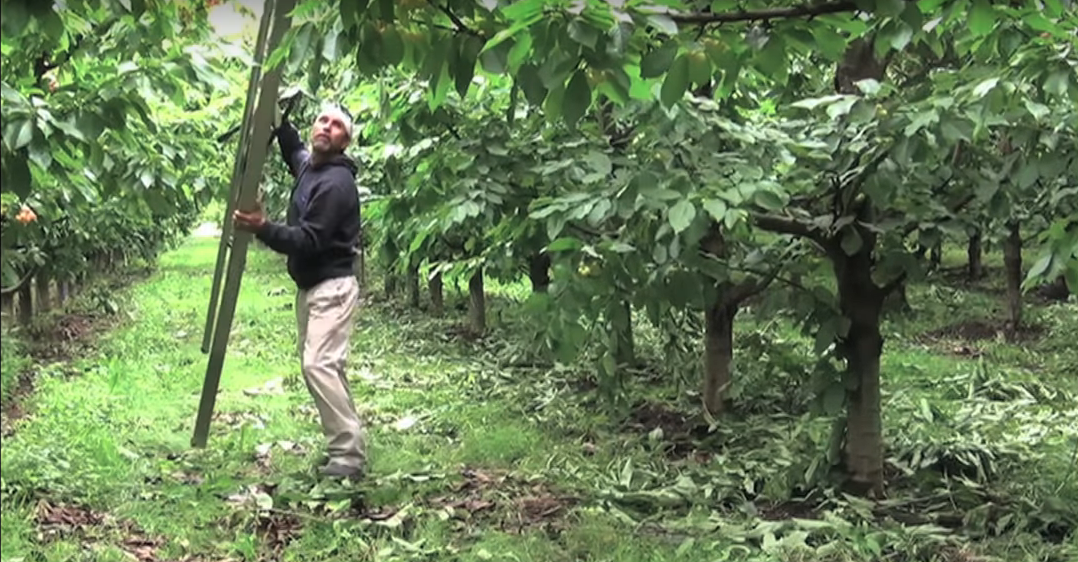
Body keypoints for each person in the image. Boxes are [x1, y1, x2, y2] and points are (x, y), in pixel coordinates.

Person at [232, 103, 366, 481]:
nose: (327, 127)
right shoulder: (311, 165)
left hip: (332, 288)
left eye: (337, 125)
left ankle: (348, 458)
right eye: (322, 120)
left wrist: (262, 227)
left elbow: (308, 240)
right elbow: (294, 152)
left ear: (345, 141)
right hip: (312, 287)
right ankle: (345, 443)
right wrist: (279, 120)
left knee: (318, 365)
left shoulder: (337, 185)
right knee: (325, 367)